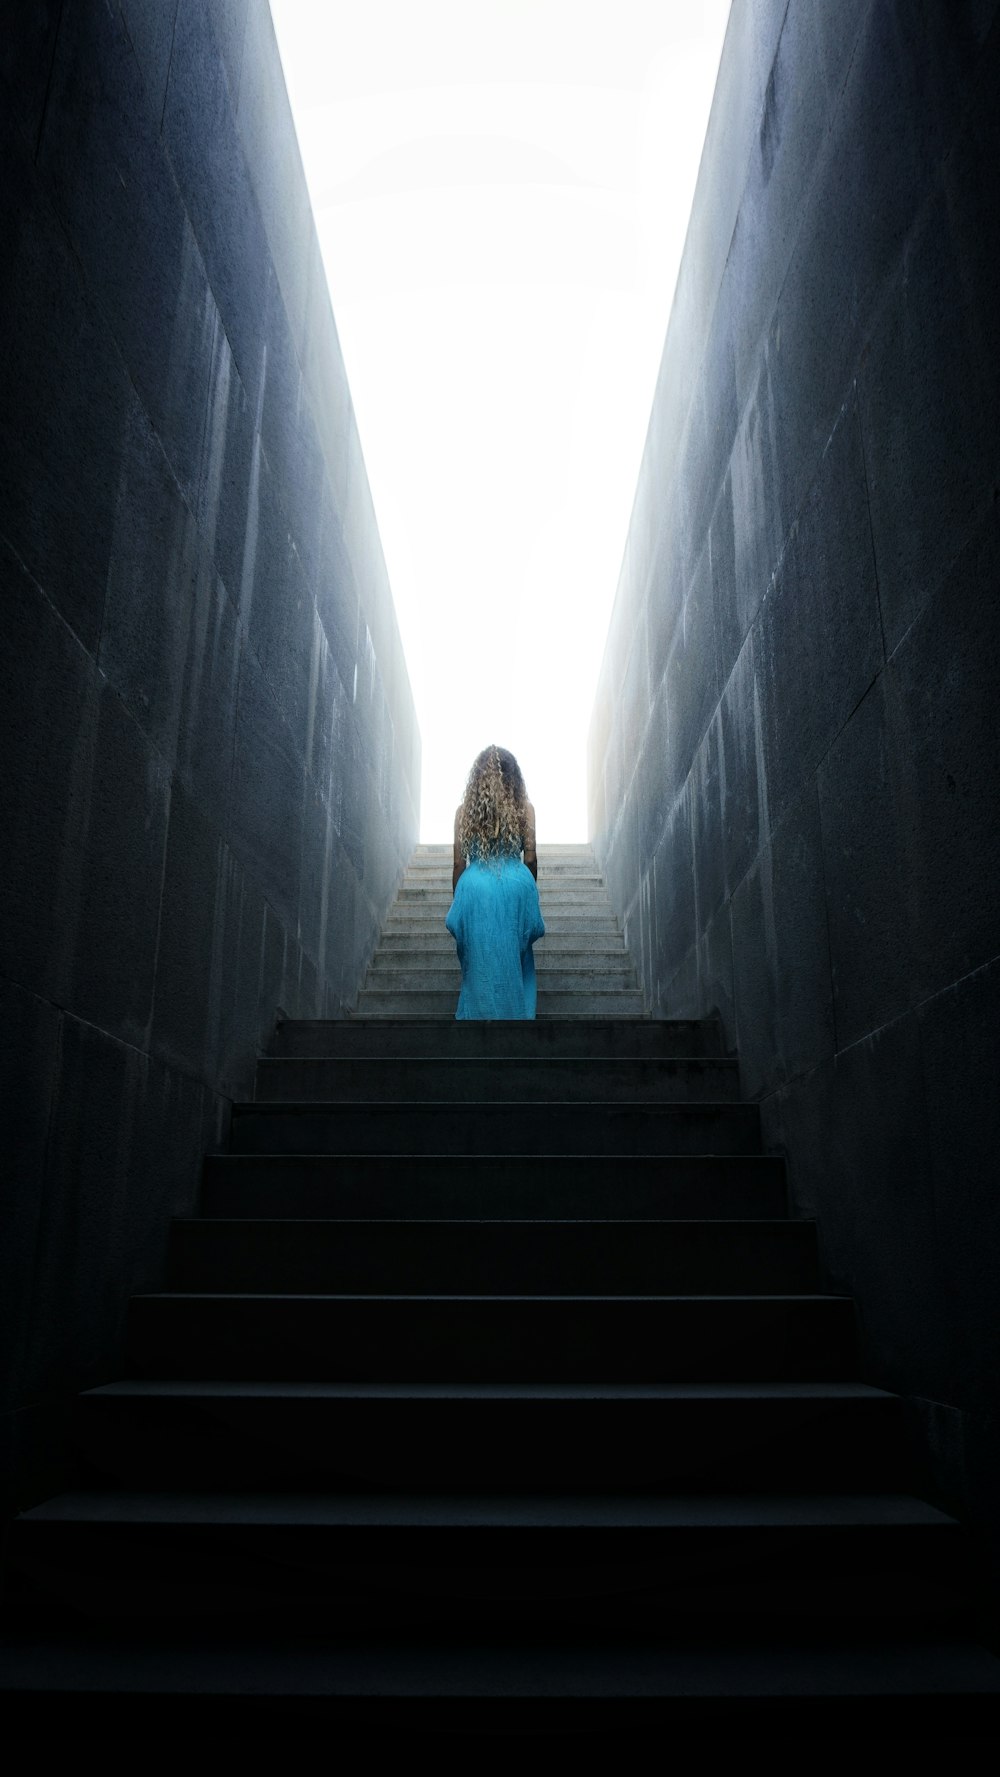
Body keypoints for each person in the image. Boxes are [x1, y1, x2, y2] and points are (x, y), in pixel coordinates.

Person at [445, 745, 545, 1019]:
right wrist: (528, 891)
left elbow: (458, 864)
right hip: (516, 883)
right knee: (517, 956)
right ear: (514, 776)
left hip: (474, 887)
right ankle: (519, 1021)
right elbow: (531, 858)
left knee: (477, 960)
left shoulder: (463, 812)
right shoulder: (526, 809)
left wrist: (460, 899)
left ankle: (478, 1020)